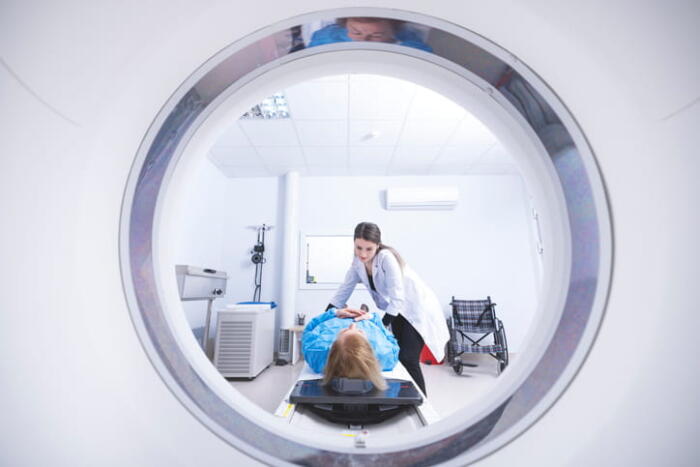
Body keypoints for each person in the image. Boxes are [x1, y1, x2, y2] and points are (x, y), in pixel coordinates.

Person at [327, 222, 449, 396]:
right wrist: (326, 316)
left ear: (377, 245)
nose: (363, 254)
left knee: (408, 358)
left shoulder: (386, 257)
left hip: (416, 309)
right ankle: (404, 396)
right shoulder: (357, 263)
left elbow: (398, 298)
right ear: (354, 243)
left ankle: (422, 403)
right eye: (358, 247)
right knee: (397, 355)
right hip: (398, 310)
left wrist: (380, 324)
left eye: (368, 249)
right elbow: (342, 292)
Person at [302, 305, 399, 390]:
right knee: (363, 313)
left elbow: (308, 331)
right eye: (360, 332)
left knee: (344, 310)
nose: (352, 325)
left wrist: (334, 313)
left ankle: (345, 308)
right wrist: (372, 318)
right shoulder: (384, 354)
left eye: (345, 331)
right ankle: (362, 310)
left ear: (333, 347)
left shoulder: (317, 353)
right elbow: (391, 339)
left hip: (336, 319)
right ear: (369, 347)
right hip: (366, 320)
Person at [308, 17, 432, 52]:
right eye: (356, 32)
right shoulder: (326, 39)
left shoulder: (412, 48)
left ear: (393, 32)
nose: (364, 41)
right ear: (345, 26)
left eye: (376, 35)